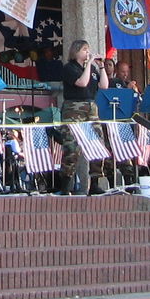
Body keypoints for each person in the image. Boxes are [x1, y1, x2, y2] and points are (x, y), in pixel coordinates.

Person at [56, 40, 102, 195]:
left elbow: (104, 85)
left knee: (97, 143)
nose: (87, 52)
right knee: (72, 147)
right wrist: (88, 64)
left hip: (90, 107)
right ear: (76, 52)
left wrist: (100, 67)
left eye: (88, 49)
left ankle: (95, 182)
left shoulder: (92, 69)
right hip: (74, 108)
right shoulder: (69, 68)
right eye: (84, 49)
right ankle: (66, 185)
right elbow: (82, 83)